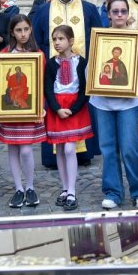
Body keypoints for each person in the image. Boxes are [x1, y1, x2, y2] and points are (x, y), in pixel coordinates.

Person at [32, 0, 102, 167]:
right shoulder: (44, 11)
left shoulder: (89, 9)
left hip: (82, 70)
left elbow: (98, 39)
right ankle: (52, 157)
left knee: (81, 106)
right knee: (54, 106)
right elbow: (37, 40)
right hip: (53, 71)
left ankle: (83, 154)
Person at [0, 14, 47, 209]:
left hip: (30, 110)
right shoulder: (5, 54)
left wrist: (40, 106)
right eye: (18, 30)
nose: (23, 34)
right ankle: (18, 188)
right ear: (12, 32)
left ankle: (30, 187)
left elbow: (40, 83)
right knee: (12, 149)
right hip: (9, 112)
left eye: (26, 29)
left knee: (27, 150)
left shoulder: (38, 54)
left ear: (31, 30)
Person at [44, 24, 92, 211]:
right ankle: (64, 188)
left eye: (61, 39)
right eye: (54, 39)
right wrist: (56, 109)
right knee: (60, 149)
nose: (57, 42)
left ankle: (72, 190)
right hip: (57, 108)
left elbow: (85, 89)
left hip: (74, 109)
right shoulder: (51, 63)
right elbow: (48, 88)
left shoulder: (81, 62)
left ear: (71, 41)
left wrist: (73, 109)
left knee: (70, 149)